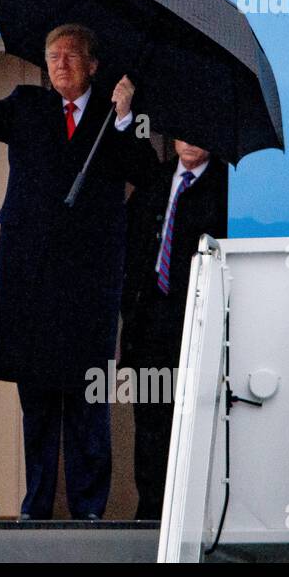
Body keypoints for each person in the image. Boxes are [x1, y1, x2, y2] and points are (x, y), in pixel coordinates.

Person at [0, 16, 158, 520]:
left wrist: (124, 116)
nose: (60, 64)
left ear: (93, 65)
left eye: (70, 55)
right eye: (53, 56)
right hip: (30, 280)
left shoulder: (114, 119)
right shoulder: (27, 104)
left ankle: (89, 512)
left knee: (88, 405)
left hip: (88, 285)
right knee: (37, 405)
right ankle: (35, 508)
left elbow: (145, 172)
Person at [120, 139, 228, 520]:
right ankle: (151, 511)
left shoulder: (226, 187)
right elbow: (130, 245)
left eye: (200, 130)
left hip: (196, 322)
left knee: (197, 416)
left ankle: (193, 512)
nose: (190, 138)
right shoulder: (156, 179)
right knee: (150, 420)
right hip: (148, 323)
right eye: (182, 130)